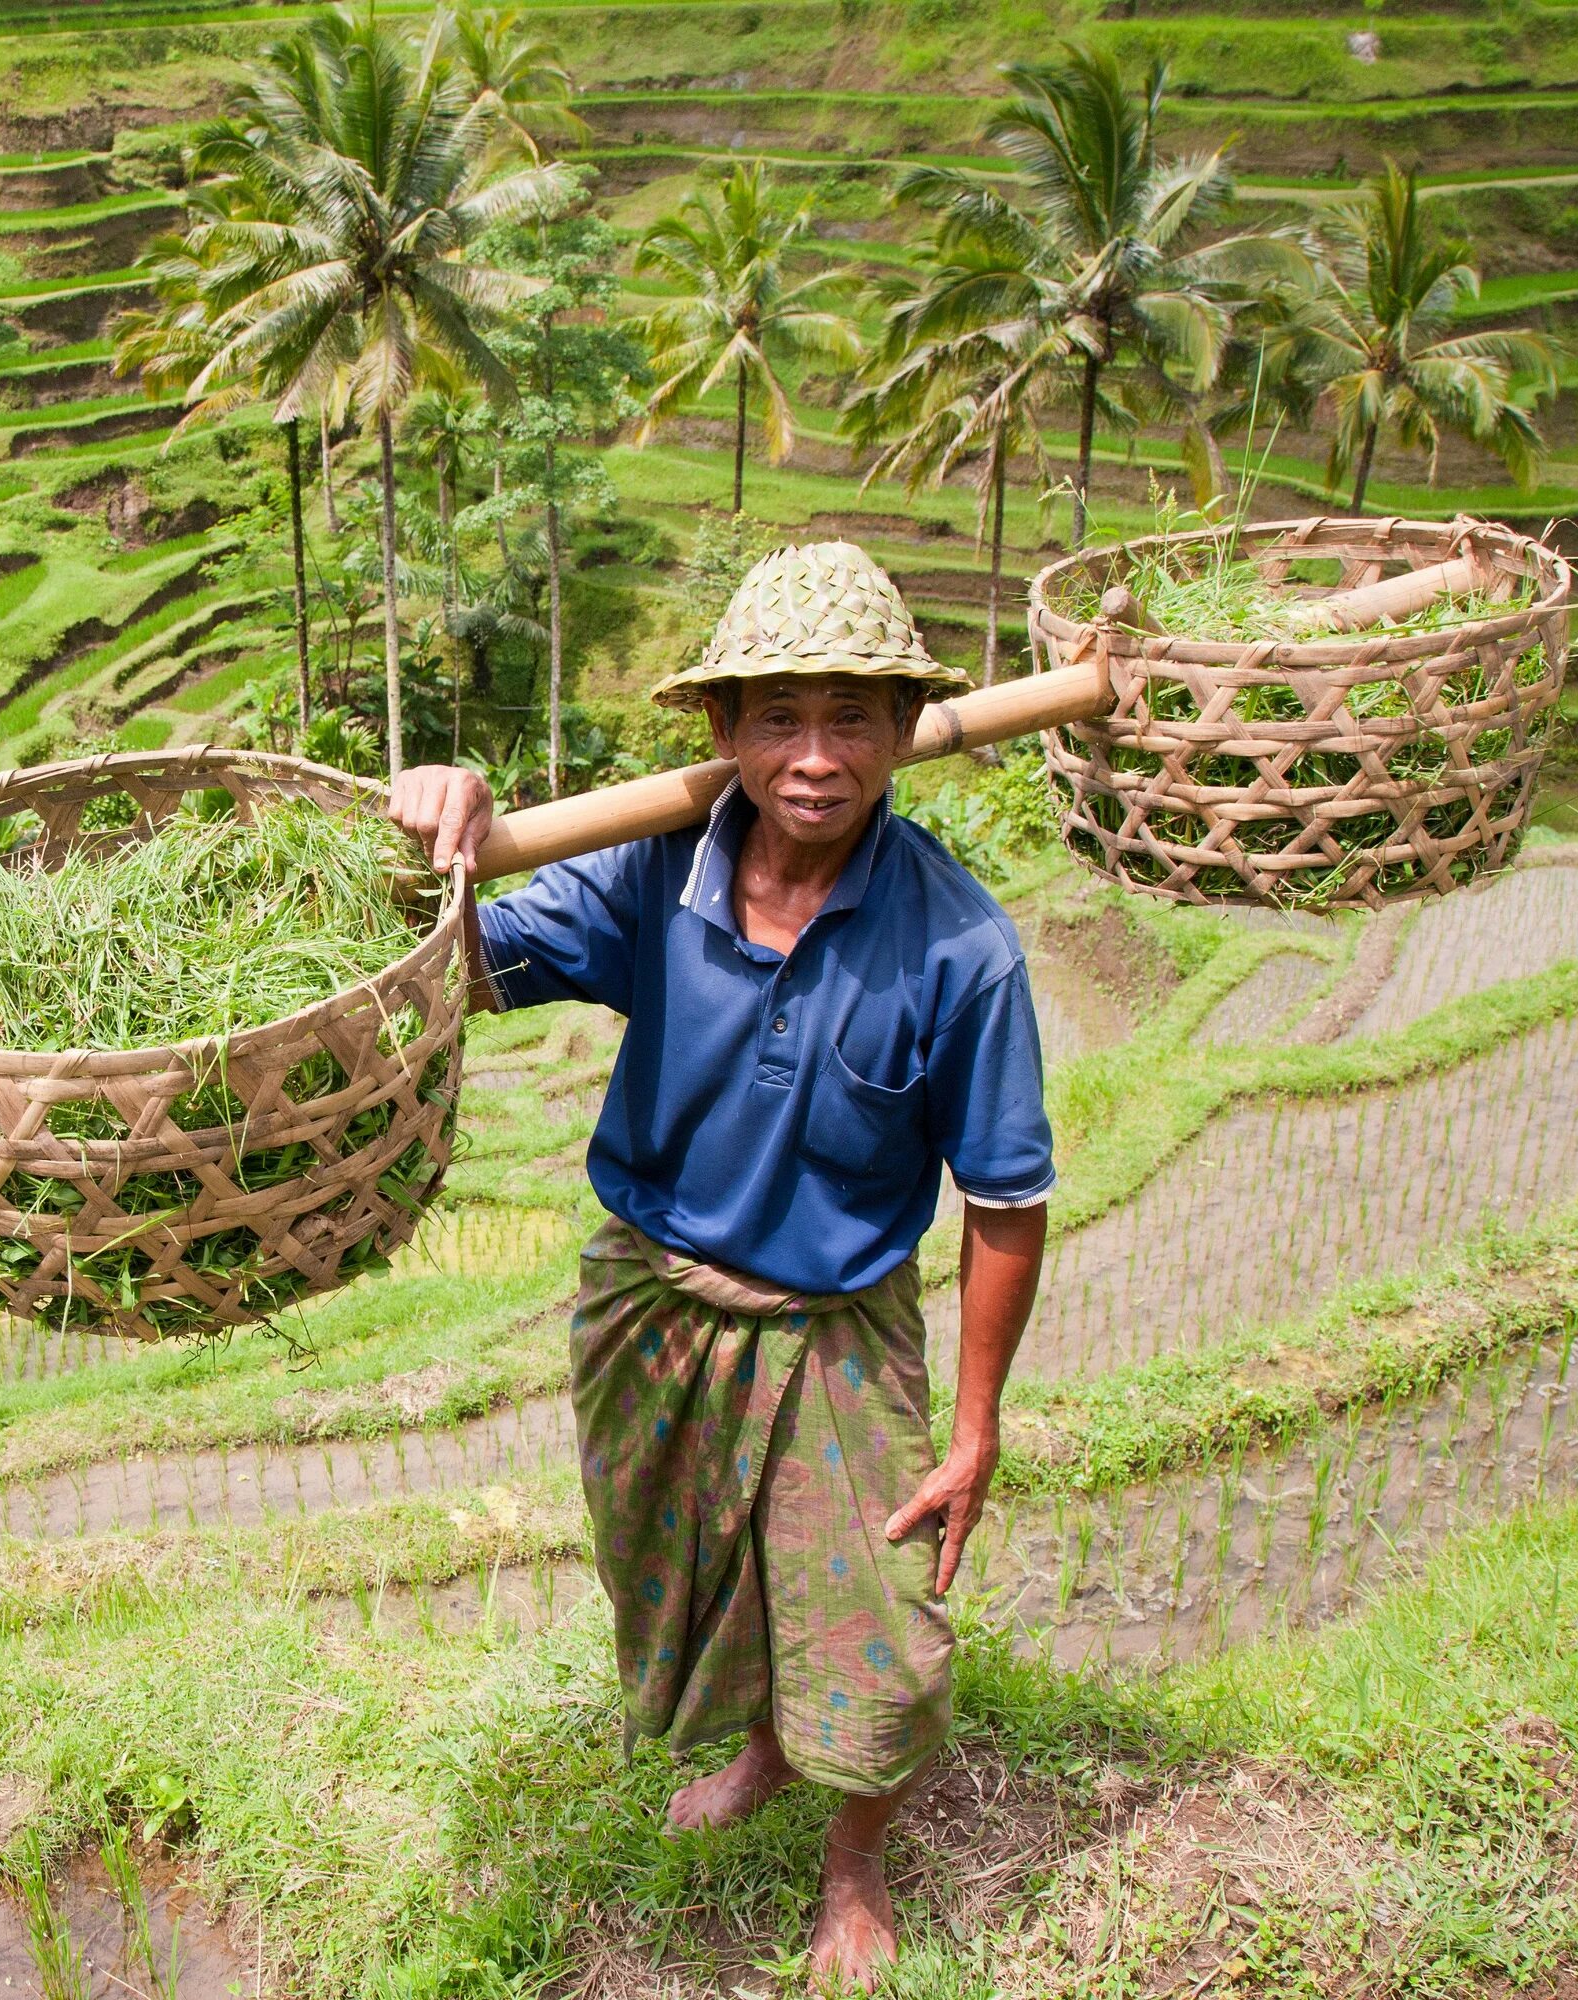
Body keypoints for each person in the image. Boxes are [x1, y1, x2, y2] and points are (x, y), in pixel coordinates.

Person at [385, 542, 1052, 1986]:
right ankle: (759, 1748)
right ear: (723, 732)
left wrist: (981, 1428)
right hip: (656, 1296)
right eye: (778, 719)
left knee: (879, 1610)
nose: (816, 759)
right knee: (691, 1561)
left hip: (836, 1316)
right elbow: (464, 965)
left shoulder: (961, 950)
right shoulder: (649, 875)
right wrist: (425, 837)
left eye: (853, 718)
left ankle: (856, 1865)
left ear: (901, 732)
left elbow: (1005, 1203)